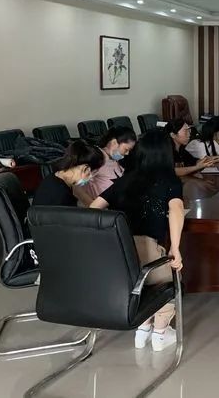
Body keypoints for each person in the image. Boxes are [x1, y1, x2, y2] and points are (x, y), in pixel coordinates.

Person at [90, 130, 185, 351]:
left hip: (120, 253)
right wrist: (176, 249)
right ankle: (160, 335)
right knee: (168, 281)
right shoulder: (170, 180)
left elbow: (94, 208)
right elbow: (176, 210)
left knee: (138, 286)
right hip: (148, 248)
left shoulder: (126, 179)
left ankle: (142, 330)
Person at [75, 126, 137, 206]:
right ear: (114, 143)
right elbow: (76, 187)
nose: (127, 153)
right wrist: (93, 208)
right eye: (126, 149)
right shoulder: (96, 158)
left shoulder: (114, 159)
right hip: (99, 210)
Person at [32, 140, 105, 206]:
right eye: (93, 173)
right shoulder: (61, 194)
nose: (91, 178)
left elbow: (90, 204)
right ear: (85, 169)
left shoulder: (59, 176)